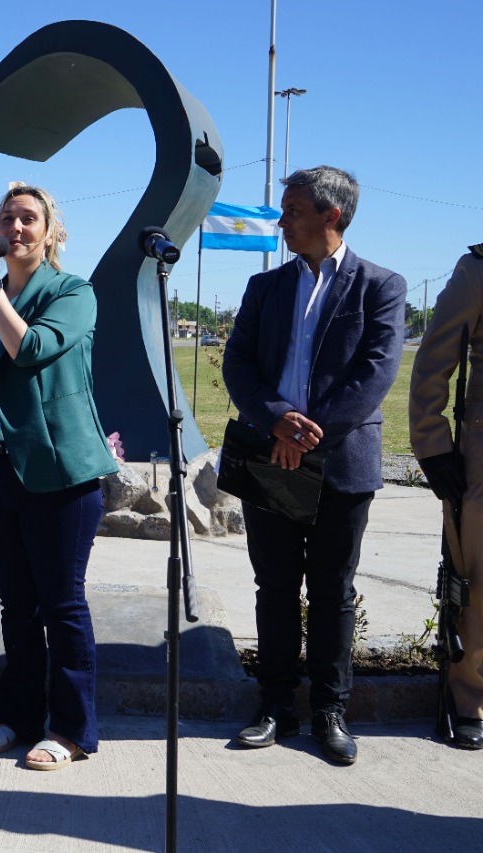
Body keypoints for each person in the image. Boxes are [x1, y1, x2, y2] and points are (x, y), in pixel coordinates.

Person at [223, 166, 406, 765]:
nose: (282, 222)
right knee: (274, 587)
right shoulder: (264, 287)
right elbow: (238, 363)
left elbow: (375, 373)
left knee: (332, 590)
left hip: (341, 464)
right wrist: (276, 418)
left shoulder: (381, 285)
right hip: (268, 456)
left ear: (332, 215)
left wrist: (308, 437)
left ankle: (330, 711)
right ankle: (274, 706)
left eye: (293, 210)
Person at [0, 183, 118, 771]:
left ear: (51, 233)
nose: (15, 228)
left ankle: (70, 730)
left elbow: (31, 349)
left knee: (61, 604)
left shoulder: (72, 293)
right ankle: (17, 717)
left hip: (57, 476)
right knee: (17, 605)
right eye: (6, 218)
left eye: (28, 219)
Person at [409, 243, 483, 750]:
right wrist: (434, 446)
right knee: (478, 584)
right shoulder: (478, 269)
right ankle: (471, 696)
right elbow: (434, 359)